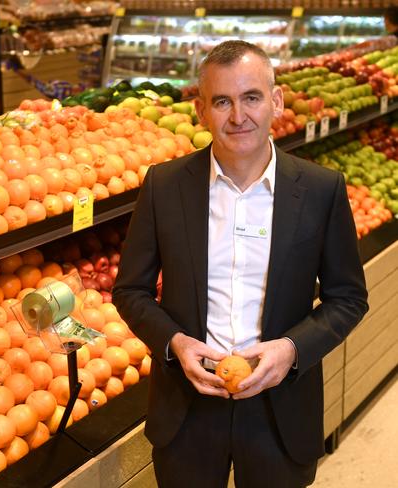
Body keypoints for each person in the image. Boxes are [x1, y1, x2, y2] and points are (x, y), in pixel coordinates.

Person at [112, 40, 368, 488]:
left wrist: (290, 350)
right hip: (187, 408)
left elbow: (347, 298)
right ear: (200, 110)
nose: (238, 116)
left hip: (280, 410)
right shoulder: (164, 186)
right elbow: (130, 290)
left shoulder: (320, 190)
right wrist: (175, 343)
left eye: (251, 97)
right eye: (222, 101)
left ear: (277, 101)